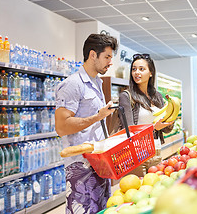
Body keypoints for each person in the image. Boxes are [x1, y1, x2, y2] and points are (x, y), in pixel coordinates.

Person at [55, 34, 118, 214]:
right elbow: (61, 126)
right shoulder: (72, 84)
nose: (110, 62)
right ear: (92, 55)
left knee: (101, 209)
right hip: (80, 166)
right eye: (107, 57)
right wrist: (97, 117)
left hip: (99, 161)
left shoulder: (97, 82)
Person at [118, 53, 174, 176]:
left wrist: (170, 119)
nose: (137, 72)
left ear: (151, 73)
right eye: (134, 69)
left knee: (155, 189)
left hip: (156, 151)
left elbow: (167, 130)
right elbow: (128, 131)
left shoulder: (158, 96)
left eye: (141, 69)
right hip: (136, 153)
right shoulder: (126, 97)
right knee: (137, 191)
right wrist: (154, 128)